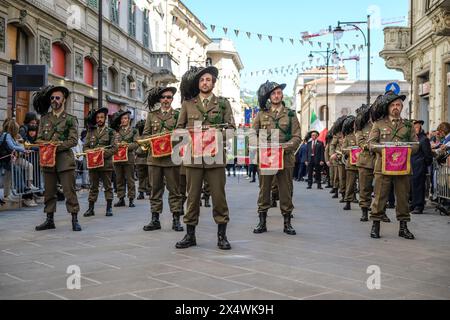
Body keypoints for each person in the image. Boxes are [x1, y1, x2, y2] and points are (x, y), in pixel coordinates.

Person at [175, 66, 235, 250]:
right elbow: (178, 130)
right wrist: (190, 135)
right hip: (193, 158)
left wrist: (215, 135)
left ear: (214, 83)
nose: (205, 83)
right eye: (202, 80)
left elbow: (231, 130)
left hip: (215, 158)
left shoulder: (223, 104)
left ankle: (222, 235)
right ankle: (190, 235)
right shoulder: (188, 104)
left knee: (218, 198)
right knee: (192, 198)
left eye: (208, 80)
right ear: (198, 83)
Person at [368, 91, 419, 240]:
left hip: (402, 167)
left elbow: (416, 145)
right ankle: (375, 225)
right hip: (382, 167)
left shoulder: (408, 125)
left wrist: (404, 150)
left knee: (403, 197)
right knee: (379, 197)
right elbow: (371, 144)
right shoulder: (379, 124)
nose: (396, 107)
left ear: (402, 107)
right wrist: (386, 150)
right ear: (388, 107)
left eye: (398, 105)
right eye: (393, 105)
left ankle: (403, 227)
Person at [252, 81, 301, 235]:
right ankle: (262, 222)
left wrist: (284, 147)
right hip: (266, 157)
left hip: (285, 157)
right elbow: (253, 134)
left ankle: (287, 223)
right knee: (264, 189)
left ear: (282, 95)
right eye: (273, 93)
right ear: (269, 96)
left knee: (285, 190)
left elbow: (297, 136)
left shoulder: (291, 114)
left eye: (279, 92)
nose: (276, 95)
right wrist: (260, 146)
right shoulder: (261, 114)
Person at [33, 85, 82, 232]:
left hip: (64, 161)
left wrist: (55, 146)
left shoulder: (70, 119)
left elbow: (73, 140)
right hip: (48, 161)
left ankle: (74, 218)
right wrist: (45, 144)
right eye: (52, 98)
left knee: (69, 191)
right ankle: (49, 220)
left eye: (57, 98)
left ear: (64, 100)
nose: (54, 100)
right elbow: (39, 138)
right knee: (49, 191)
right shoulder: (44, 118)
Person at [142, 86, 183, 233]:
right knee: (155, 189)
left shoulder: (178, 115)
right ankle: (155, 219)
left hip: (172, 159)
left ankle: (176, 219)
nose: (166, 100)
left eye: (169, 97)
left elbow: (183, 136)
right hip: (154, 159)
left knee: (175, 190)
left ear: (172, 99)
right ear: (160, 100)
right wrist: (154, 140)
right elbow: (145, 135)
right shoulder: (152, 115)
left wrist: (172, 140)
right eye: (164, 97)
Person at [82, 107, 118, 217]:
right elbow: (85, 147)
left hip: (106, 164)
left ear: (105, 118)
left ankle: (109, 208)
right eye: (98, 117)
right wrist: (92, 152)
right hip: (93, 164)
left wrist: (102, 154)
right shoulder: (91, 131)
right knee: (93, 186)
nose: (99, 119)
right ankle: (91, 208)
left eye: (102, 117)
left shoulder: (111, 132)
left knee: (108, 186)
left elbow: (114, 148)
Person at [111, 110, 138, 208]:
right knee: (119, 179)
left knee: (130, 179)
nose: (123, 120)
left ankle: (131, 199)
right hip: (117, 157)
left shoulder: (134, 131)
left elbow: (136, 143)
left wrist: (126, 145)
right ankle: (121, 198)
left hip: (128, 158)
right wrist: (116, 145)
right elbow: (112, 143)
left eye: (125, 118)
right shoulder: (117, 131)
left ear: (129, 120)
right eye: (122, 118)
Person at [410, 120, 433, 215]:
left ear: (420, 128)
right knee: (412, 186)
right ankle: (413, 204)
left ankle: (419, 206)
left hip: (419, 165)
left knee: (419, 186)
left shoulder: (424, 139)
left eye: (417, 127)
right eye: (414, 127)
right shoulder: (412, 139)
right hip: (412, 166)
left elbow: (428, 154)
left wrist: (424, 164)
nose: (415, 129)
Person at [341, 116, 358, 211]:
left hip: (363, 163)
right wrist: (353, 151)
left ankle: (365, 204)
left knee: (364, 186)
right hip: (351, 164)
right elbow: (343, 149)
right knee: (350, 184)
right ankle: (348, 201)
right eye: (354, 124)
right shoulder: (348, 137)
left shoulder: (363, 134)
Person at [330, 116, 348, 201]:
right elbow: (332, 145)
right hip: (340, 158)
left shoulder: (351, 132)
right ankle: (343, 194)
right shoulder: (338, 134)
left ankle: (351, 195)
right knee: (341, 177)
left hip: (350, 158)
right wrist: (333, 154)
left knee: (351, 178)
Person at [135, 120, 151, 200]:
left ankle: (144, 191)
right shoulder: (139, 136)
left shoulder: (140, 136)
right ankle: (144, 191)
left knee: (144, 177)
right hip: (142, 159)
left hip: (144, 159)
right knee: (146, 176)